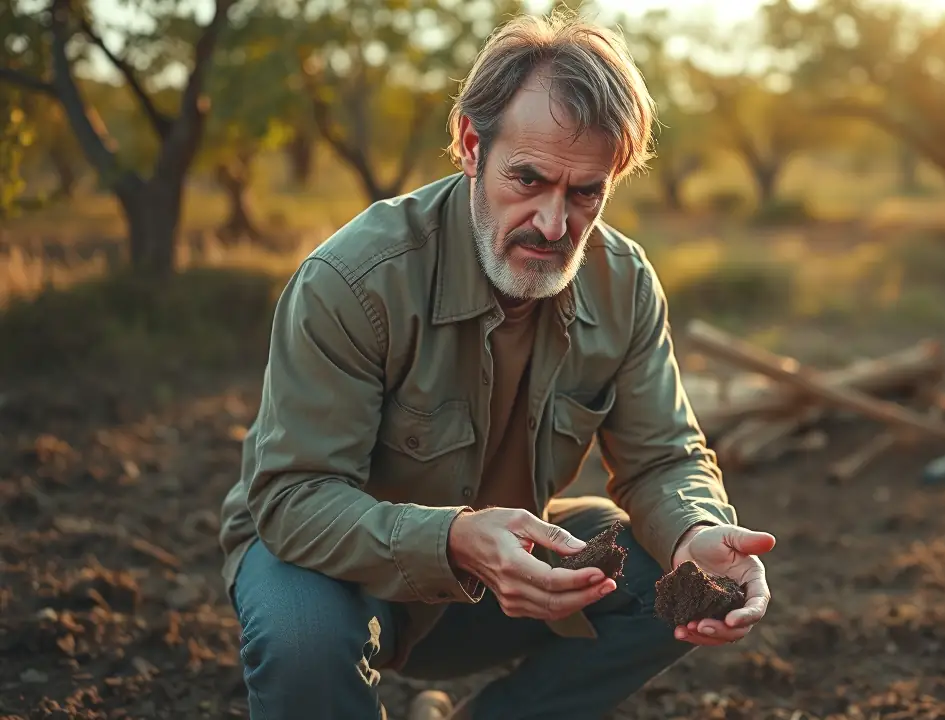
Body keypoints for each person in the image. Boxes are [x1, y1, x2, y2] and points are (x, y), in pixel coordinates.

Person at [217, 10, 776, 720]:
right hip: (332, 568)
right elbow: (292, 497)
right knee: (303, 642)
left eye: (585, 193)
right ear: (471, 145)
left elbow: (663, 457)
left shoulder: (624, 282)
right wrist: (454, 539)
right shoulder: (354, 280)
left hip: (498, 582)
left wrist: (697, 533)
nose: (553, 223)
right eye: (529, 179)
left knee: (659, 580)